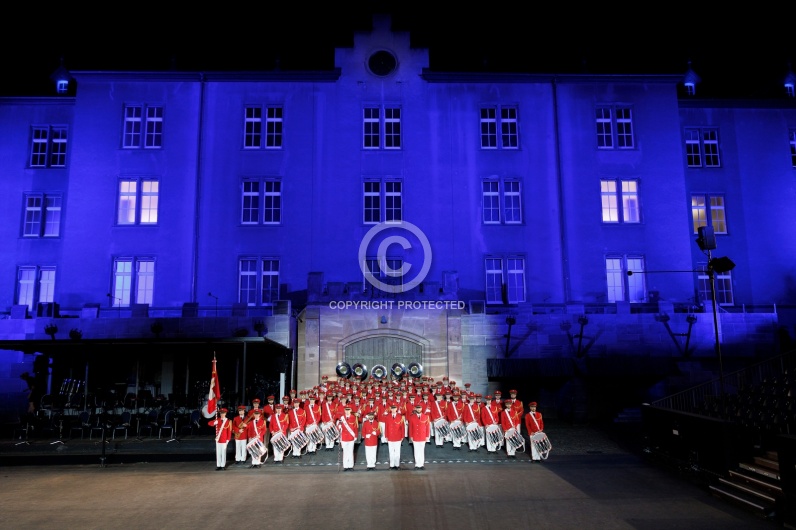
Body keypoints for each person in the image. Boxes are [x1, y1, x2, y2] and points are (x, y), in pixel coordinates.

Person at [407, 403, 431, 470]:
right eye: (417, 408)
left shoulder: (426, 417)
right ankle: (417, 465)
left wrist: (427, 436)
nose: (418, 409)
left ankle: (422, 464)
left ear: (421, 409)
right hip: (415, 436)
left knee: (422, 451)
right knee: (416, 451)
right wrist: (411, 436)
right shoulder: (412, 417)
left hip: (422, 436)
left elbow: (427, 427)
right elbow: (410, 427)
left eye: (420, 408)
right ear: (415, 409)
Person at [383, 404, 405, 470]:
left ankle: (397, 465)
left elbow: (402, 428)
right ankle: (391, 465)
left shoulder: (400, 416)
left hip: (398, 437)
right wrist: (386, 436)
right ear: (390, 409)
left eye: (394, 408)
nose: (393, 410)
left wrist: (402, 436)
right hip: (390, 437)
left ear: (396, 409)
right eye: (392, 409)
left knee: (397, 452)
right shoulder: (387, 417)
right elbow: (386, 427)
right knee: (391, 452)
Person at [337, 405, 359, 471]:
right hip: (344, 437)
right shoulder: (342, 418)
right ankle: (345, 466)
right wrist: (339, 426)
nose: (347, 411)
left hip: (351, 437)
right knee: (345, 452)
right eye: (346, 410)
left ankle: (350, 466)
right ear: (344, 410)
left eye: (348, 410)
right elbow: (338, 426)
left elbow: (355, 428)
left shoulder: (354, 418)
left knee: (350, 451)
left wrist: (355, 436)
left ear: (351, 410)